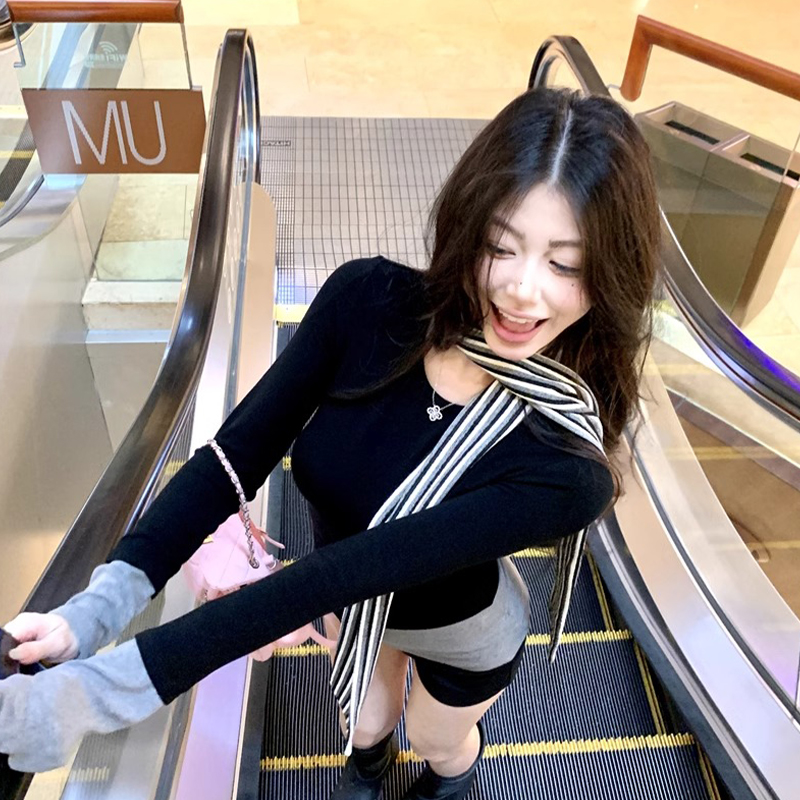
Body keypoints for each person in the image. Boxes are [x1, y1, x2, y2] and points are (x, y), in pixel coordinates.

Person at [0, 86, 660, 799]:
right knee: (366, 723)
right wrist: (95, 610)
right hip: (353, 611)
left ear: (611, 274)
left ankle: (451, 778)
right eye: (501, 246)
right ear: (468, 223)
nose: (522, 291)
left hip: (460, 627)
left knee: (435, 738)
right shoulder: (369, 304)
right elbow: (231, 459)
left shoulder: (567, 465)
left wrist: (91, 697)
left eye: (566, 264)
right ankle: (368, 764)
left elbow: (349, 570)